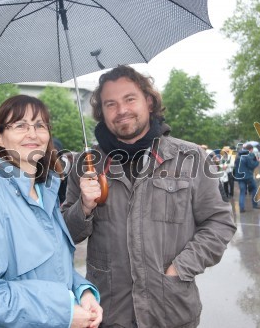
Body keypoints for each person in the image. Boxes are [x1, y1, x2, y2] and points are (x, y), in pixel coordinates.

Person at [61, 66, 236, 328]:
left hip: (172, 313)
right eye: (111, 104)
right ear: (102, 112)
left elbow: (219, 223)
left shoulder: (191, 158)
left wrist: (181, 268)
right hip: (109, 315)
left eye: (130, 99)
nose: (121, 110)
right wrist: (84, 207)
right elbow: (67, 234)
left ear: (149, 101)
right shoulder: (85, 166)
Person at [0, 95, 102, 328]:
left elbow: (55, 267)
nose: (33, 133)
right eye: (21, 125)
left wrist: (83, 293)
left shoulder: (47, 194)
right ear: (0, 137)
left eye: (40, 125)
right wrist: (64, 312)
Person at [235, 144, 260, 212]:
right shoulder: (247, 156)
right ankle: (255, 204)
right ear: (250, 149)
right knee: (254, 189)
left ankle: (241, 208)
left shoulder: (238, 156)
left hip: (240, 176)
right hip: (248, 176)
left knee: (242, 192)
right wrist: (257, 162)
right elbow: (251, 166)